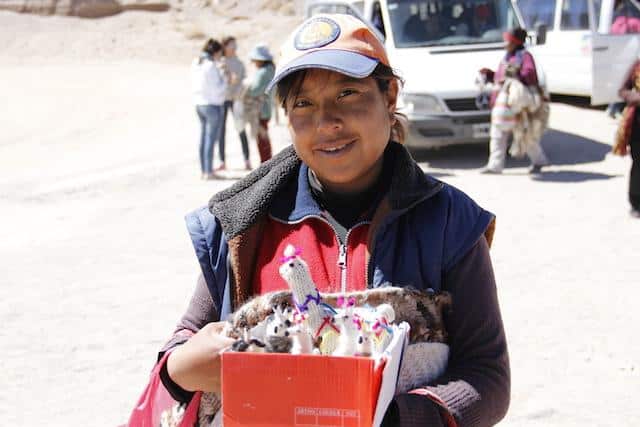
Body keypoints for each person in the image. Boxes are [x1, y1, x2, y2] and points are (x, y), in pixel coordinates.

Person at [141, 13, 510, 426]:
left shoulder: (449, 222)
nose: (326, 122)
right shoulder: (243, 223)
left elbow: (487, 374)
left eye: (348, 93)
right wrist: (180, 368)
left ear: (389, 97)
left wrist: (398, 416)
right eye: (303, 103)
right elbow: (183, 345)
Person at [480, 27, 550, 174]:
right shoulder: (507, 56)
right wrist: (490, 75)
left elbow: (530, 74)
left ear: (515, 42)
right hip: (502, 104)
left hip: (518, 105)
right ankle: (495, 165)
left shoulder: (524, 56)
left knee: (524, 134)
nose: (504, 43)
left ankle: (539, 161)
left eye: (508, 40)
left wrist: (516, 72)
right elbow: (501, 78)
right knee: (497, 134)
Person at [191, 38, 227, 179]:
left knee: (203, 138)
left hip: (199, 103)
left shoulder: (196, 62)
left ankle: (204, 170)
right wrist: (225, 79)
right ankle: (208, 172)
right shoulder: (211, 65)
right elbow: (217, 89)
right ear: (216, 52)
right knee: (210, 139)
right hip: (211, 104)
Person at [217, 36, 251, 172]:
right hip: (223, 100)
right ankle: (222, 161)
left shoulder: (239, 63)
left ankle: (247, 160)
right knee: (221, 131)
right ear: (224, 47)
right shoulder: (220, 62)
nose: (234, 48)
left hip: (237, 99)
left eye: (235, 45)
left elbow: (243, 80)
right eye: (231, 45)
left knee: (240, 128)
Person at [613, 59, 640, 217]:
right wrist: (634, 96)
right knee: (638, 164)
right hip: (637, 125)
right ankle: (636, 203)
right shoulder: (637, 66)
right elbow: (622, 90)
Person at [242, 44, 275, 164]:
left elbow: (255, 90)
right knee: (263, 137)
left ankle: (265, 162)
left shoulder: (263, 73)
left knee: (262, 138)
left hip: (261, 110)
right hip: (266, 108)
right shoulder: (270, 69)